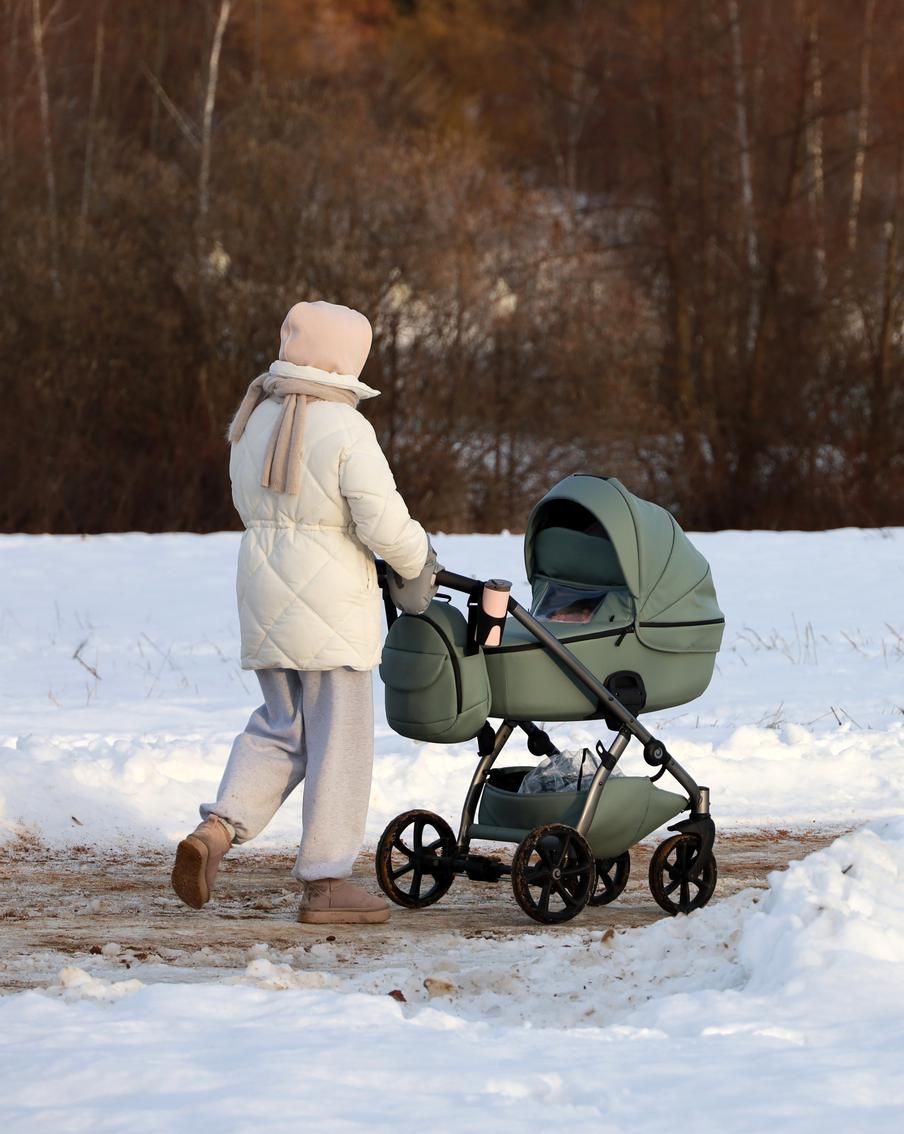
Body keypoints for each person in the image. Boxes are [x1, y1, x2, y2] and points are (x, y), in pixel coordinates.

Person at [171, 300, 434, 924]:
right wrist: (419, 557)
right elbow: (381, 519)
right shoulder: (345, 427)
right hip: (333, 607)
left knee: (280, 726)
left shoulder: (256, 414)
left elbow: (247, 500)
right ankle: (326, 884)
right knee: (340, 741)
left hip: (264, 595)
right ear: (347, 358)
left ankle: (216, 830)